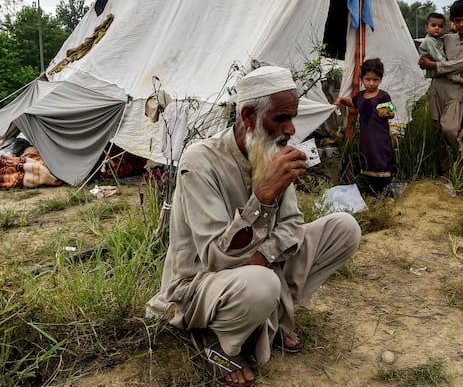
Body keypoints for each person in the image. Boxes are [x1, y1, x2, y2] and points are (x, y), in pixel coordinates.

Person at [145, 65, 361, 386]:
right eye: (281, 118)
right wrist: (262, 198)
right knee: (261, 284)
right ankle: (215, 337)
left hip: (256, 269)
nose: (290, 129)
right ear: (248, 116)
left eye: (293, 118)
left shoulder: (272, 149)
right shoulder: (199, 162)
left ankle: (269, 315)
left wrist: (261, 259)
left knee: (344, 228)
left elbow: (292, 226)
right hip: (199, 283)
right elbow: (217, 259)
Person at [419, 0, 463, 177]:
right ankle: (445, 171)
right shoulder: (446, 38)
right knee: (439, 132)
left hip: (458, 91)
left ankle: (461, 159)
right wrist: (423, 62)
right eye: (458, 20)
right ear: (452, 21)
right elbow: (427, 52)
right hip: (437, 88)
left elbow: (458, 65)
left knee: (450, 129)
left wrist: (433, 64)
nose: (462, 24)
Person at [334, 58, 395, 196]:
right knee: (367, 159)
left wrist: (386, 113)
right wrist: (341, 100)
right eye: (368, 79)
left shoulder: (383, 96)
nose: (371, 83)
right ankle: (370, 192)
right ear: (362, 79)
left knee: (381, 160)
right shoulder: (360, 96)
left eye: (375, 79)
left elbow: (391, 113)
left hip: (380, 139)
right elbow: (353, 103)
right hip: (366, 139)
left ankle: (384, 193)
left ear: (380, 79)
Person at [417, 13, 463, 88]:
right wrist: (447, 65)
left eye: (440, 26)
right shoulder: (429, 41)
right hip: (437, 68)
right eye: (433, 25)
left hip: (437, 67)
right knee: (447, 71)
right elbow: (438, 57)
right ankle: (461, 80)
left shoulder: (438, 39)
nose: (437, 28)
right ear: (427, 28)